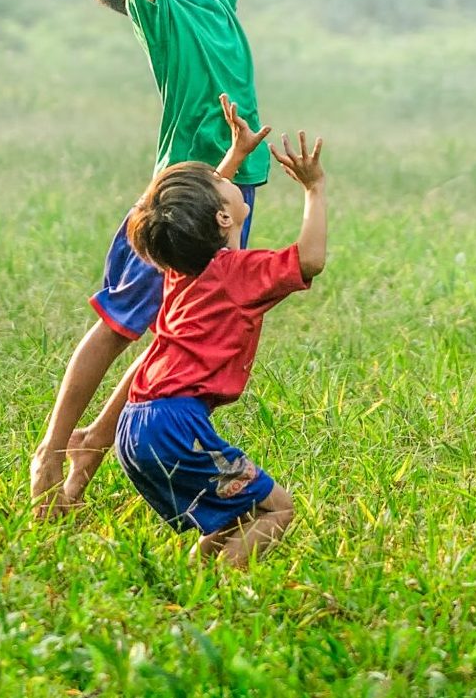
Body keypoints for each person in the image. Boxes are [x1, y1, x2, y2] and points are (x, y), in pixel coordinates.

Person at [29, 0, 349, 513]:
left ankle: (82, 473)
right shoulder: (160, 16)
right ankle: (52, 454)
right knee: (117, 325)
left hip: (235, 189)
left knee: (174, 337)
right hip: (180, 194)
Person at [115, 128, 328, 566]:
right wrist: (314, 188)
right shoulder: (239, 274)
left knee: (230, 517)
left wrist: (234, 156)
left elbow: (192, 214)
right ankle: (222, 592)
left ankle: (192, 581)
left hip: (134, 424)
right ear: (223, 219)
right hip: (176, 426)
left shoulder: (182, 266)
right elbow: (310, 259)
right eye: (223, 182)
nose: (226, 178)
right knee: (278, 509)